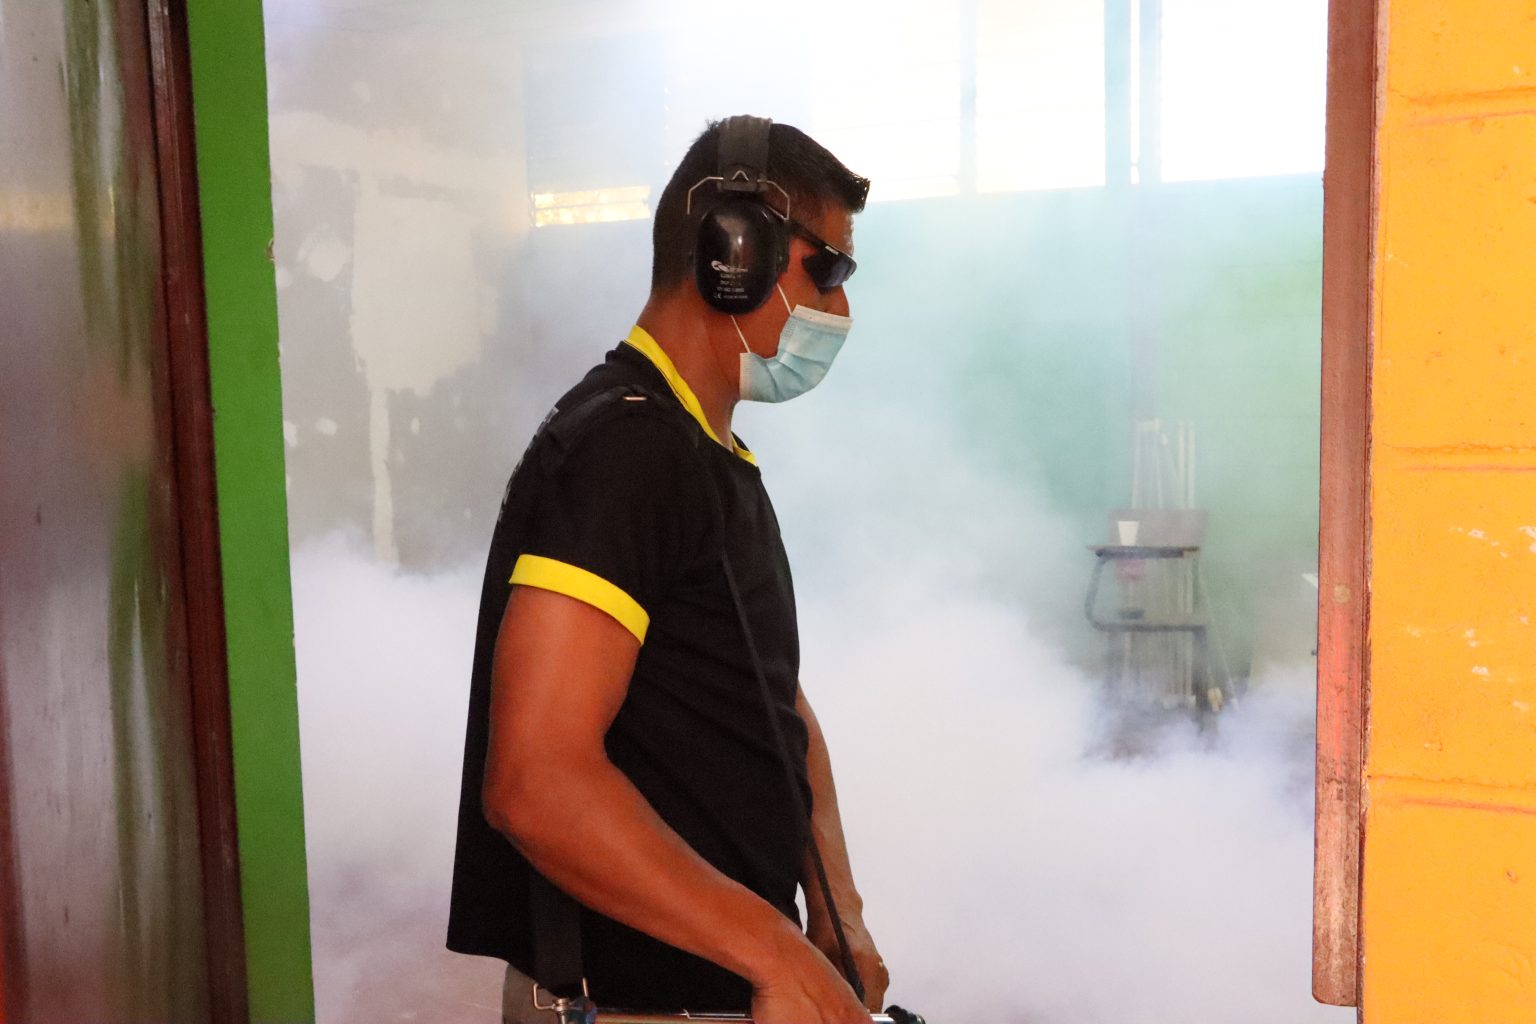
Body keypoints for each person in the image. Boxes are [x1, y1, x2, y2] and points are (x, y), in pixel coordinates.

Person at [447, 117, 885, 1024]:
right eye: (828, 271)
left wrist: (835, 911)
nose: (840, 311)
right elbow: (536, 782)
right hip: (632, 1009)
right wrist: (776, 953)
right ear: (736, 252)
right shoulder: (625, 454)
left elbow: (769, 698)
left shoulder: (700, 453)